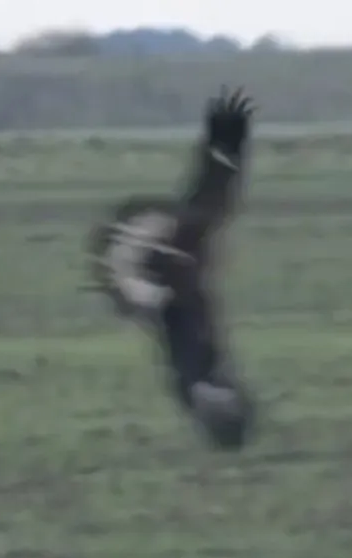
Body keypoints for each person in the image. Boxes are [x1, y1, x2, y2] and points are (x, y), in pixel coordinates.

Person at [87, 87, 258, 450]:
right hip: (150, 277)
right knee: (192, 342)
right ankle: (214, 403)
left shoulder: (199, 226)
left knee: (196, 342)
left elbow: (215, 179)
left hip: (153, 275)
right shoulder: (192, 235)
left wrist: (225, 145)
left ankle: (214, 400)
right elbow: (215, 180)